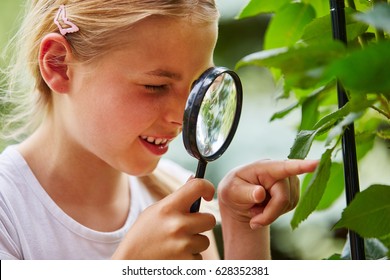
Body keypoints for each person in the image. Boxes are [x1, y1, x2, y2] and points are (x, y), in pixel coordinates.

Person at [0, 0, 318, 260]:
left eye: (197, 86)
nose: (184, 117)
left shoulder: (175, 195)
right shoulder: (9, 211)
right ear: (58, 64)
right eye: (156, 86)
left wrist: (245, 228)